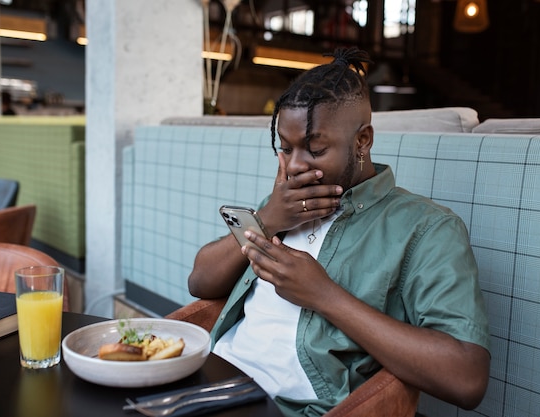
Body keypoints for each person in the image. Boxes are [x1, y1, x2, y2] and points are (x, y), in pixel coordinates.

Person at [188, 47, 490, 416]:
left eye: (315, 149)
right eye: (285, 148)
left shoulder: (425, 228)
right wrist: (268, 217)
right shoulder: (285, 203)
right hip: (213, 381)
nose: (296, 165)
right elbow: (200, 282)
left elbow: (467, 378)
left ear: (362, 141)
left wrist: (323, 295)